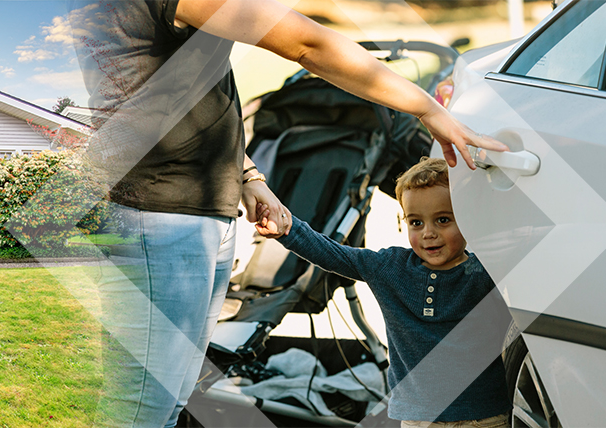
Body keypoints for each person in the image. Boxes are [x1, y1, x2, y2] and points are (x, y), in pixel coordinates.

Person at [65, 1, 508, 426]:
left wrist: (247, 175)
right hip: (161, 216)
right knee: (142, 406)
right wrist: (427, 107)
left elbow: (182, 94)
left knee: (170, 400)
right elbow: (306, 44)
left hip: (195, 210)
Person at [256, 158, 511, 426]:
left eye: (443, 220)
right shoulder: (390, 267)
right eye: (416, 223)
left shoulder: (486, 274)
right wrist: (287, 228)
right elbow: (334, 255)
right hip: (418, 419)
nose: (428, 233)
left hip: (484, 417)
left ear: (467, 219)